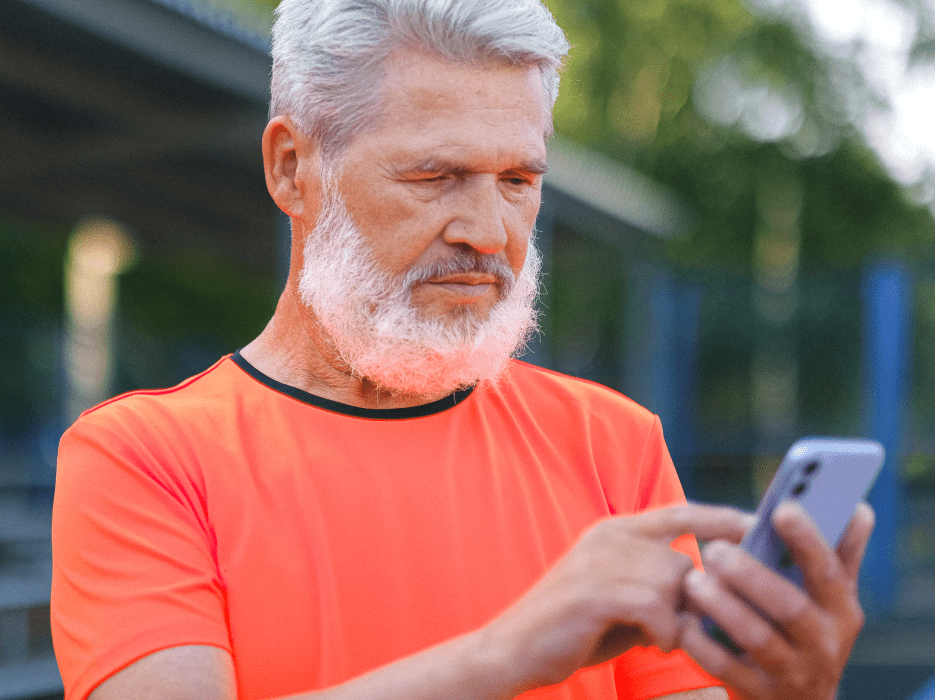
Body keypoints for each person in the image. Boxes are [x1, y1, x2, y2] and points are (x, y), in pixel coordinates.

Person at [50, 1, 875, 699]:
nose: (489, 234)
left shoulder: (613, 443)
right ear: (292, 168)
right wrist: (514, 651)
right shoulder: (141, 460)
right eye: (435, 176)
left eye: (519, 181)